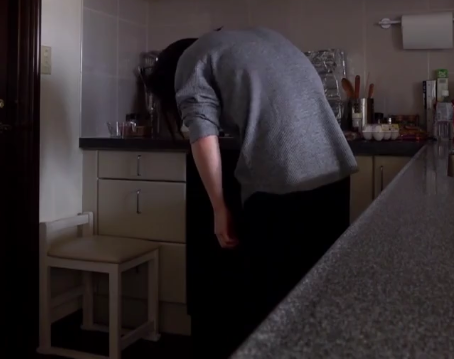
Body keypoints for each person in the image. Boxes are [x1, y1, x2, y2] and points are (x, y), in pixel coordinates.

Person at [147, 27, 357, 356]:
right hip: (333, 174)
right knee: (317, 297)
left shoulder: (190, 61)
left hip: (284, 181)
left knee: (270, 301)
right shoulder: (257, 38)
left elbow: (202, 135)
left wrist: (219, 208)